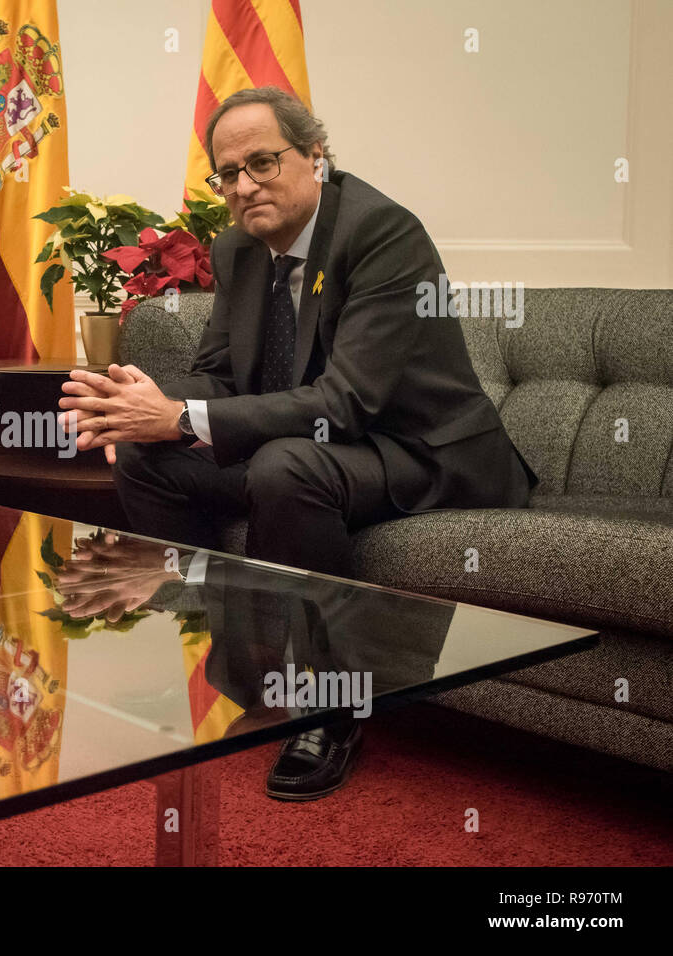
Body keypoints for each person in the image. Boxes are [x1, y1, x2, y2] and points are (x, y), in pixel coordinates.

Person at [57, 86, 535, 799]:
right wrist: (144, 410)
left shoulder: (380, 234)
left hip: (422, 450)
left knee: (285, 468)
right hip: (328, 452)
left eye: (262, 162)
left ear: (314, 155)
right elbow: (220, 375)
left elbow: (348, 401)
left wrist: (184, 417)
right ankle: (235, 671)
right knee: (148, 460)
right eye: (228, 173)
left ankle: (330, 708)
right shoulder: (239, 247)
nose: (244, 185)